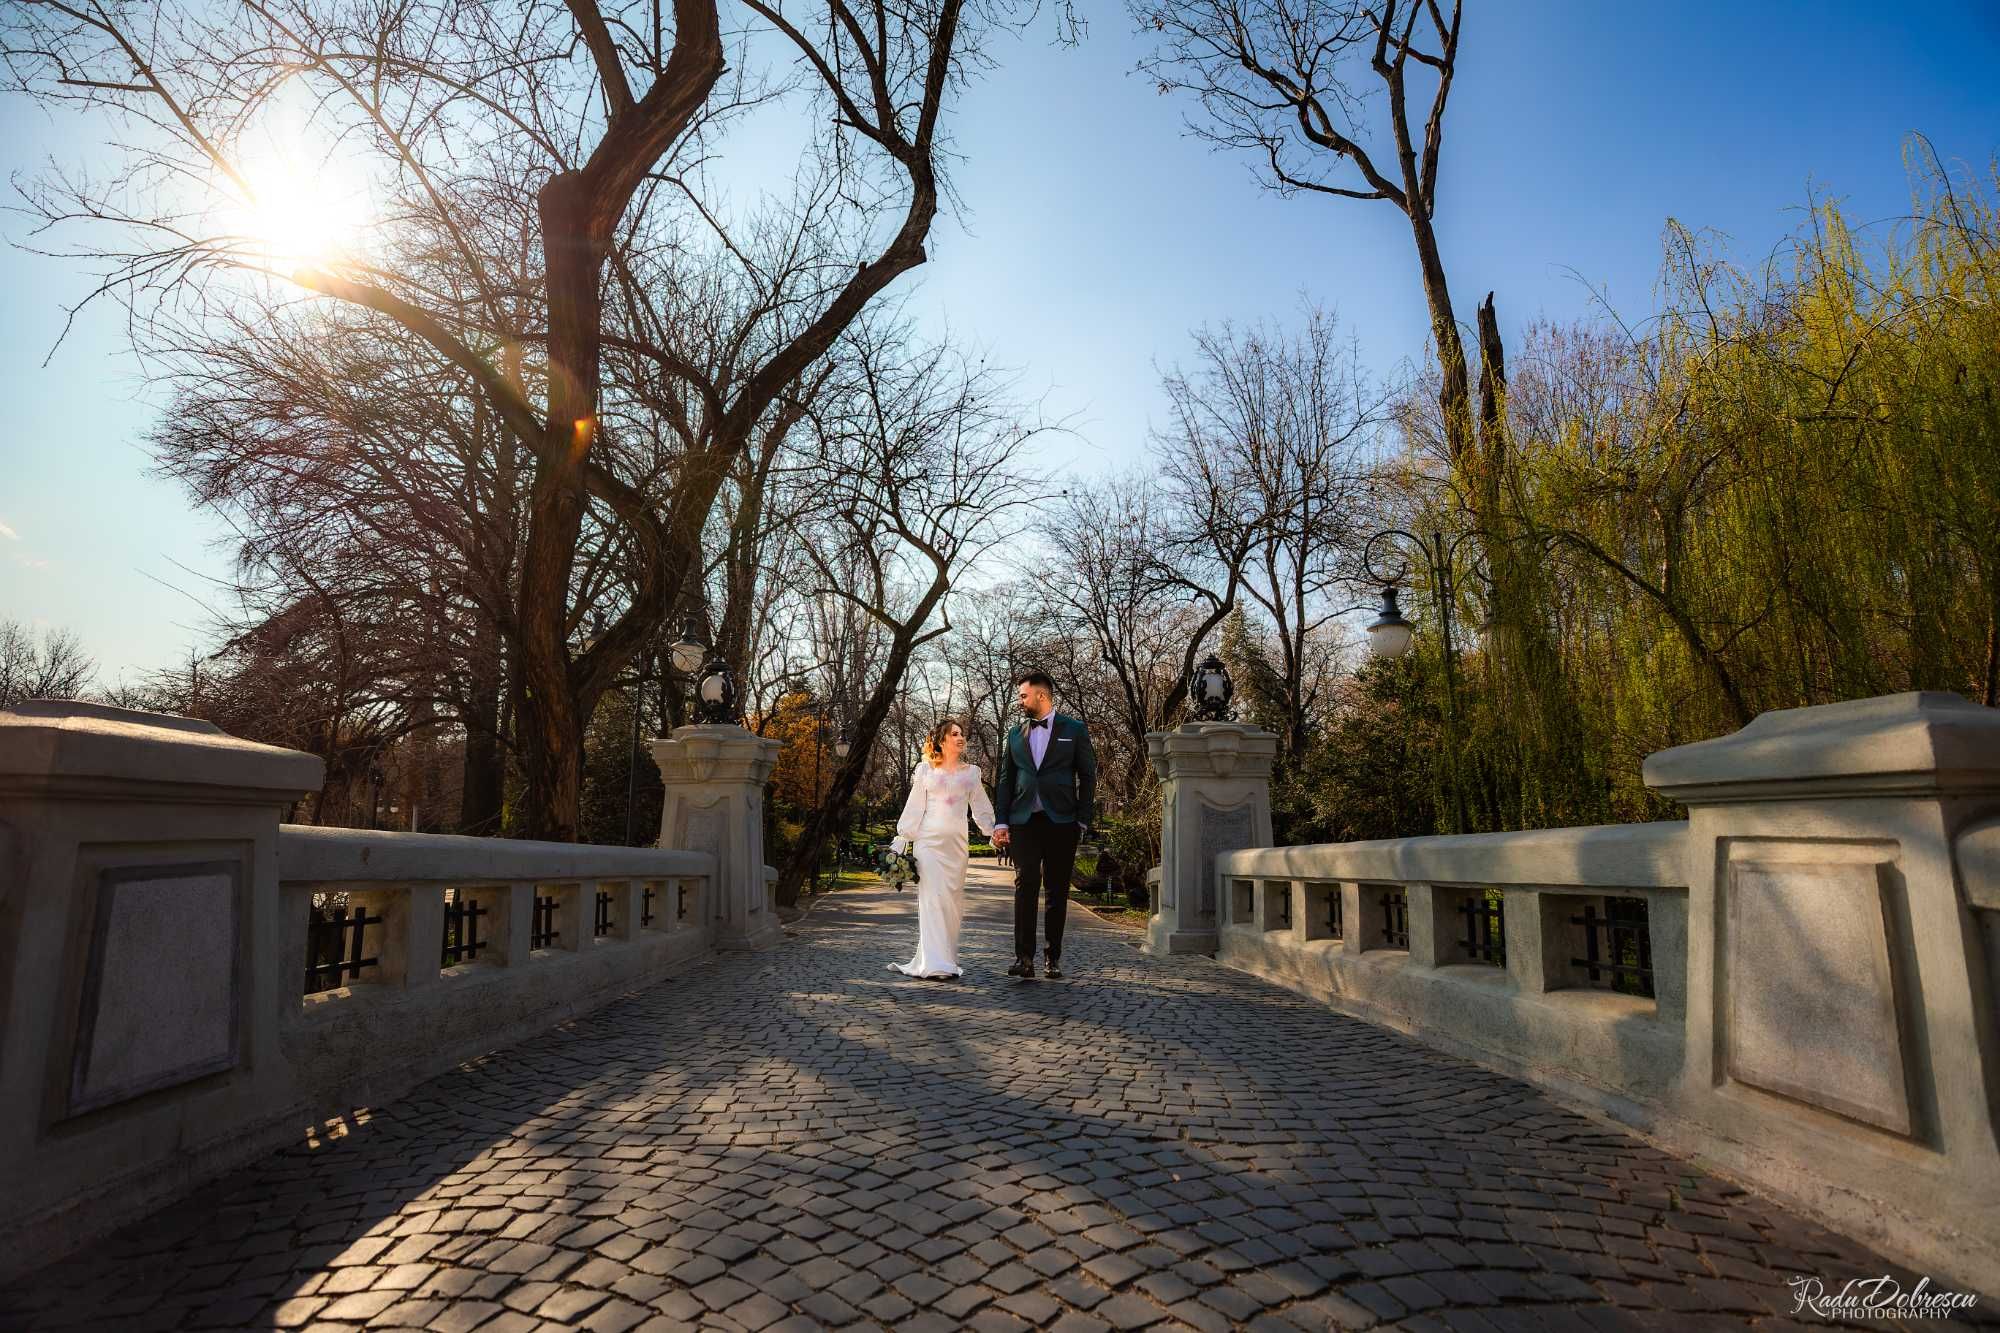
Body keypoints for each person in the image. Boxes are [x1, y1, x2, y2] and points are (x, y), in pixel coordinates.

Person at [991, 670, 1096, 979]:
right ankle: (1024, 958)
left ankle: (1053, 958)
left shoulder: (1074, 729)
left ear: (1041, 695)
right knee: (1025, 885)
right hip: (1023, 820)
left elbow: (1088, 775)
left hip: (1062, 820)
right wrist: (1001, 820)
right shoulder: (1014, 733)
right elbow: (1006, 779)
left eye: (1024, 695)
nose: (1021, 701)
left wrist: (1082, 819)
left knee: (1056, 890)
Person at [887, 719, 995, 979]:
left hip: (956, 847)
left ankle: (944, 958)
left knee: (951, 903)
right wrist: (902, 839)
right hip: (928, 845)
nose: (960, 738)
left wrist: (994, 832)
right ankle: (936, 965)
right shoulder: (925, 771)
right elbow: (915, 807)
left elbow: (980, 807)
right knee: (932, 900)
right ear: (942, 740)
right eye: (954, 733)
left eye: (962, 734)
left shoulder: (972, 773)